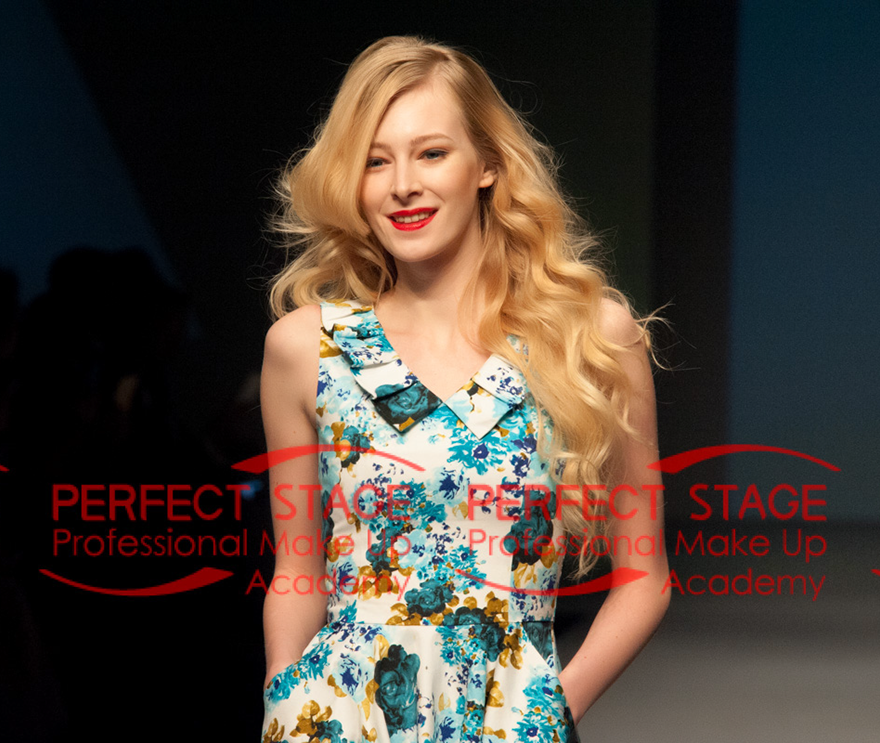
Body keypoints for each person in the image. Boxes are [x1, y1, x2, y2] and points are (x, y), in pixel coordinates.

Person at [259, 36, 669, 743]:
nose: (402, 185)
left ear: (488, 164)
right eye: (375, 161)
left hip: (510, 722)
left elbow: (646, 576)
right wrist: (285, 697)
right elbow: (298, 572)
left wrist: (549, 711)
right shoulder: (306, 348)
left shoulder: (587, 336)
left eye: (431, 153)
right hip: (339, 720)